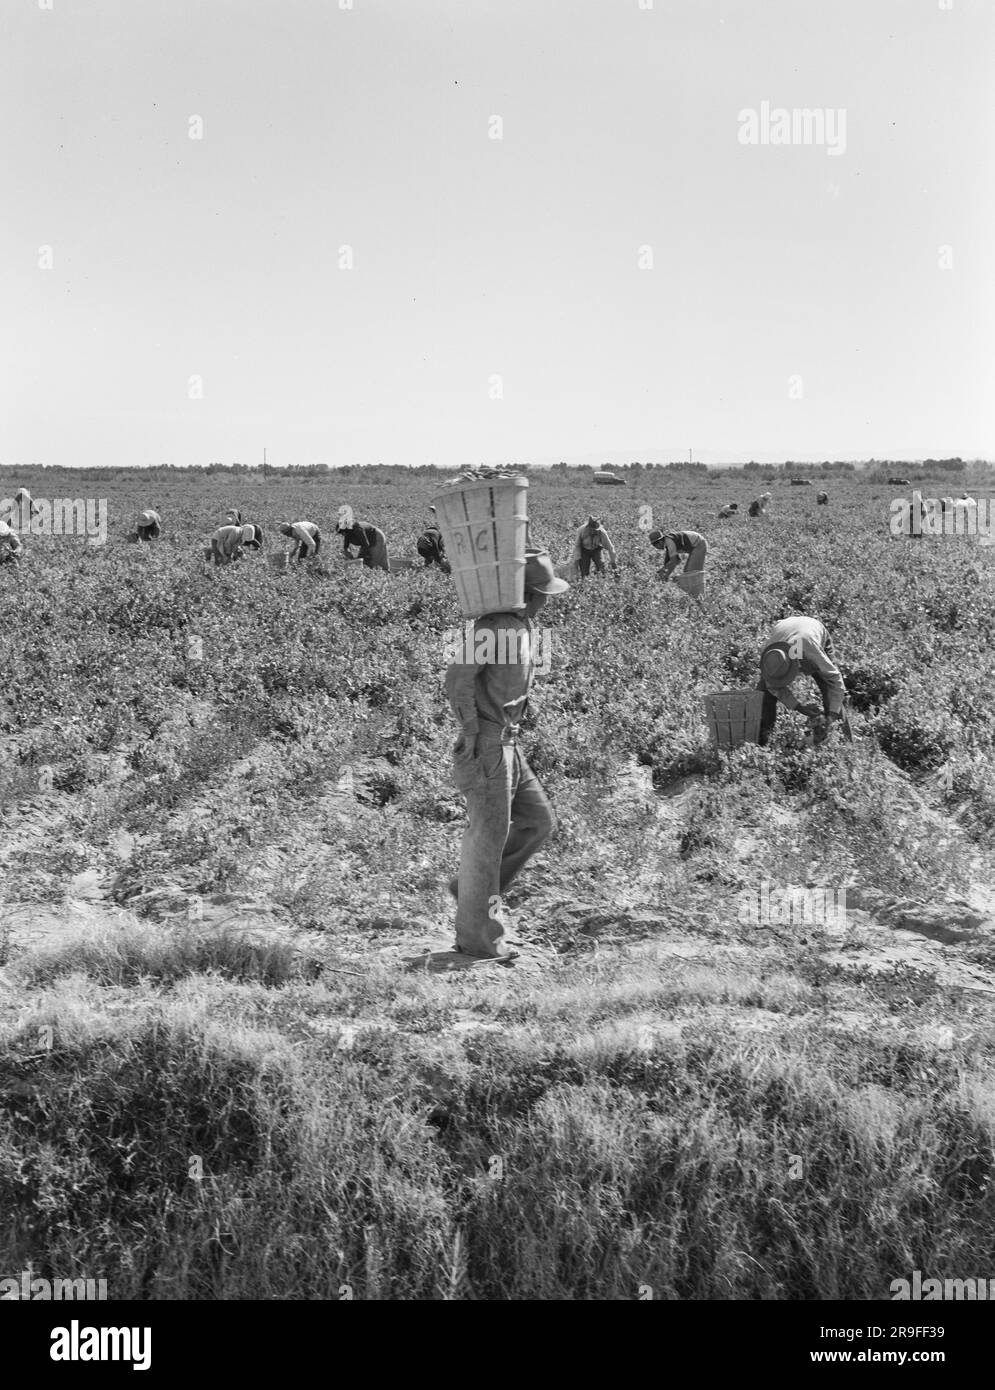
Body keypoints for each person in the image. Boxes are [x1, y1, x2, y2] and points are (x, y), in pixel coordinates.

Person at [444, 550, 569, 961]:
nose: (546, 600)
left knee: (537, 821)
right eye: (541, 592)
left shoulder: (521, 625)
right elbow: (457, 678)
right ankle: (478, 939)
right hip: (490, 744)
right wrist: (470, 730)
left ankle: (470, 891)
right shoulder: (492, 626)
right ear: (526, 594)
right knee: (488, 837)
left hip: (510, 741)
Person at [756, 615, 847, 748]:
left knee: (829, 688)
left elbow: (835, 680)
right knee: (764, 694)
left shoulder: (808, 648)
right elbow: (773, 687)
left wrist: (832, 714)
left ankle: (843, 742)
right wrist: (800, 707)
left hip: (812, 632)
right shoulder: (770, 657)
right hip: (786, 630)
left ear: (794, 666)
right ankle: (762, 743)